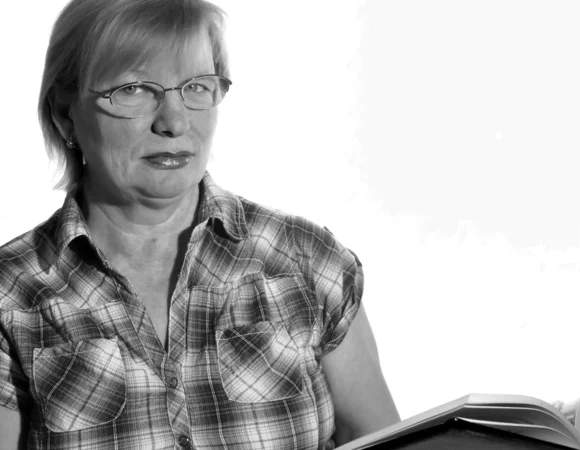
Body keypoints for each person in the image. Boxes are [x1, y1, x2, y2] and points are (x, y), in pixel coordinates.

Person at [0, 0, 400, 448]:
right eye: (133, 88)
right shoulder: (10, 294)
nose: (173, 122)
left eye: (196, 86)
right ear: (64, 112)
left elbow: (377, 439)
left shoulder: (305, 259)